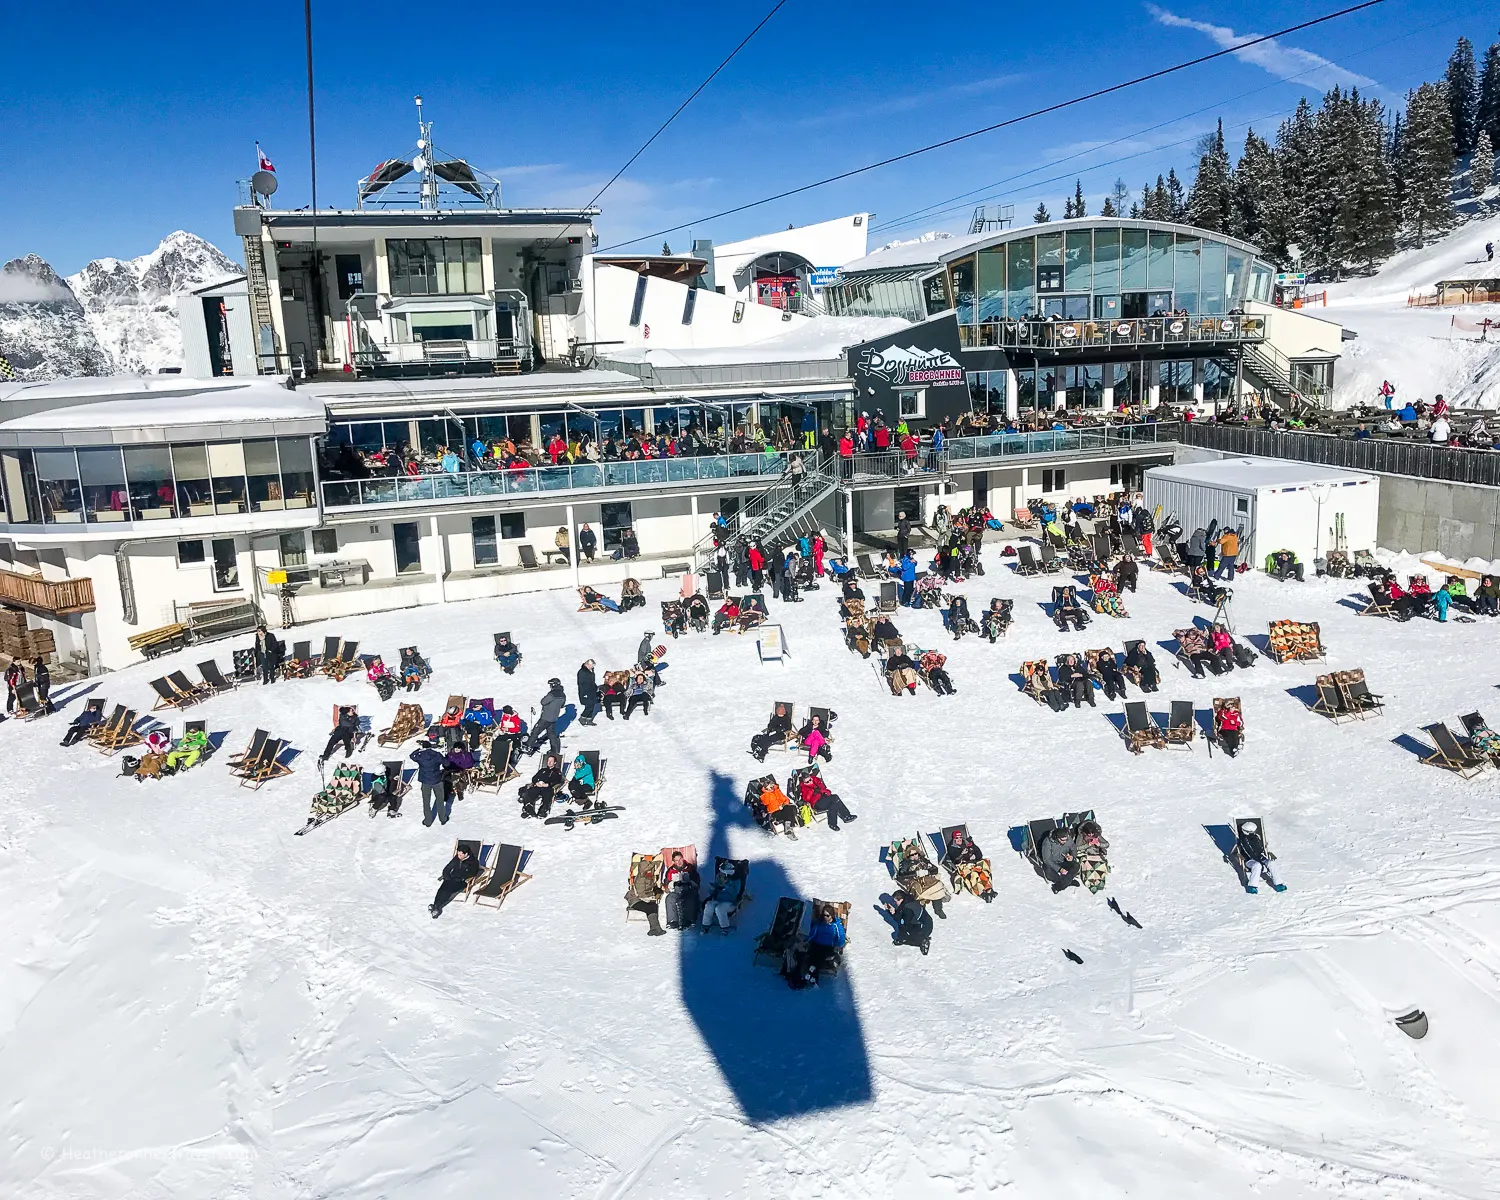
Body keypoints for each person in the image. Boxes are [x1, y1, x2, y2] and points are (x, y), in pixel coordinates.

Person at [787, 904, 846, 988]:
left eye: (827, 915)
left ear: (832, 915)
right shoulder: (819, 923)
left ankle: (811, 973)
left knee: (820, 956)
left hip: (829, 947)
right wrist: (807, 941)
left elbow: (841, 938)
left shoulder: (836, 925)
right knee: (811, 954)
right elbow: (813, 934)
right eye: (823, 915)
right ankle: (812, 976)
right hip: (816, 944)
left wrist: (838, 946)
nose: (825, 917)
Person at [429, 844, 480, 918]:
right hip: (451, 878)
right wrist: (446, 876)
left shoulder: (473, 862)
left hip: (461, 881)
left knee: (448, 890)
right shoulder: (457, 858)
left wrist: (461, 878)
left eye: (460, 855)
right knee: (442, 889)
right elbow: (448, 867)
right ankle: (436, 906)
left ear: (466, 854)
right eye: (458, 854)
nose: (458, 856)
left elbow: (472, 873)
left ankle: (437, 907)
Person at [1235, 820, 1286, 894]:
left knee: (1271, 863)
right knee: (1257, 865)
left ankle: (1278, 883)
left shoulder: (1256, 837)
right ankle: (1252, 886)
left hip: (1260, 857)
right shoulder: (1242, 840)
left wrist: (1263, 847)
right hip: (1249, 860)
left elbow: (1260, 849)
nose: (1254, 833)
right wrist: (1259, 860)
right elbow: (1247, 852)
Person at [409, 739, 450, 827]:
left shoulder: (420, 756)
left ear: (423, 747)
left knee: (426, 801)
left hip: (425, 781)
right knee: (440, 800)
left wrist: (418, 750)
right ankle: (442, 819)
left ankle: (428, 821)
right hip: (437, 780)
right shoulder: (436, 755)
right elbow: (446, 763)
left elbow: (411, 756)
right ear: (430, 746)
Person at [884, 888, 933, 955]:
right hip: (924, 922)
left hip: (924, 928)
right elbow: (902, 913)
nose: (895, 903)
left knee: (904, 934)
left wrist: (893, 913)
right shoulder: (909, 900)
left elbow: (903, 922)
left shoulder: (907, 910)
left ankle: (922, 941)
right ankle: (921, 938)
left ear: (901, 900)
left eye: (896, 901)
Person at [626, 857, 667, 936]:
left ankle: (654, 928)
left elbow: (651, 887)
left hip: (643, 899)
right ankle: (655, 928)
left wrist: (656, 889)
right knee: (649, 907)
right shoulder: (640, 879)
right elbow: (641, 894)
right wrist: (652, 894)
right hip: (635, 900)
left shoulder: (649, 877)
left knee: (653, 905)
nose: (651, 871)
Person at [700, 860, 745, 931]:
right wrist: (712, 889)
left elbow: (734, 893)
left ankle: (725, 927)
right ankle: (706, 925)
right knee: (709, 905)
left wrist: (726, 885)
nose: (720, 875)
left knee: (719, 908)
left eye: (722, 874)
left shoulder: (736, 881)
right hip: (718, 900)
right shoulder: (719, 879)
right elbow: (713, 893)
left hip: (730, 903)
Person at [525, 678, 566, 756]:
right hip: (554, 717)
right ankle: (555, 750)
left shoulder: (552, 694)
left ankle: (528, 747)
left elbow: (543, 702)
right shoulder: (563, 694)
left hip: (546, 717)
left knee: (536, 731)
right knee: (551, 733)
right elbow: (562, 705)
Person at [662, 851, 700, 929]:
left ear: (683, 859)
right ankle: (673, 921)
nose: (679, 862)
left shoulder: (690, 868)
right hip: (676, 890)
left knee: (690, 898)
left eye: (680, 859)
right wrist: (673, 884)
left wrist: (690, 883)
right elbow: (666, 885)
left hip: (688, 890)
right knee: (669, 898)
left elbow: (697, 881)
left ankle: (690, 920)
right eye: (676, 860)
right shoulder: (671, 870)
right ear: (673, 861)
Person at [518, 754, 564, 819]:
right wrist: (536, 783)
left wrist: (548, 784)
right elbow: (534, 778)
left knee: (548, 795)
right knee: (529, 793)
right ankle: (528, 810)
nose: (549, 762)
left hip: (547, 788)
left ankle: (543, 810)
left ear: (555, 762)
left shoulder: (556, 771)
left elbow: (558, 780)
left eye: (551, 761)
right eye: (548, 761)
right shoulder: (542, 770)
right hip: (538, 786)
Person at [1039, 826, 1079, 892]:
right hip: (1052, 863)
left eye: (1066, 839)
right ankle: (1067, 881)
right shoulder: (1048, 842)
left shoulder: (1068, 838)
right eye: (1062, 840)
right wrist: (1059, 869)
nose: (1065, 841)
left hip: (1063, 860)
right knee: (1047, 869)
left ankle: (1061, 885)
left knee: (1076, 865)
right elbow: (1047, 859)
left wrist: (1072, 856)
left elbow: (1073, 848)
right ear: (1057, 838)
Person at [576, 659, 600, 725]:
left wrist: (596, 688)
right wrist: (585, 692)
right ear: (587, 664)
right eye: (592, 665)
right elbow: (581, 683)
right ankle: (582, 717)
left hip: (592, 691)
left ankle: (589, 719)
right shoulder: (582, 672)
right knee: (589, 706)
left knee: (592, 705)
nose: (592, 667)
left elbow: (592, 682)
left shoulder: (590, 671)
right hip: (586, 692)